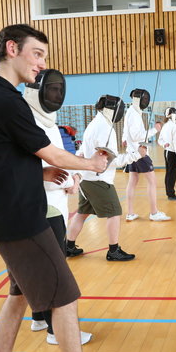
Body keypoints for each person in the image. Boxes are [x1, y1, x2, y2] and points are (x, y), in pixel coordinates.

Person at [0, 23, 108, 352]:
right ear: (12, 49)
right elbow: (49, 150)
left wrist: (39, 173)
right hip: (20, 221)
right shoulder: (4, 99)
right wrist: (92, 164)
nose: (40, 63)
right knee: (64, 297)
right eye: (37, 54)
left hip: (4, 217)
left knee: (18, 296)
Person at [23, 69, 92, 345]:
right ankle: (56, 330)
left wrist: (74, 176)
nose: (56, 95)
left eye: (58, 90)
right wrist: (65, 181)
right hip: (41, 206)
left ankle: (39, 317)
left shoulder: (49, 123)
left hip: (56, 204)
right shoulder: (26, 121)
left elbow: (58, 160)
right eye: (51, 90)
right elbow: (33, 168)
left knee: (35, 268)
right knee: (54, 270)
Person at [66, 94, 139, 261]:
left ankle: (68, 247)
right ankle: (113, 251)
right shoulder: (106, 128)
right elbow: (110, 162)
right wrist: (135, 155)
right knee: (114, 212)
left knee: (82, 213)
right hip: (98, 180)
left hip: (87, 178)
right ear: (111, 110)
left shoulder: (94, 123)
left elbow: (86, 152)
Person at [122, 88, 170, 222]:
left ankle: (130, 213)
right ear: (140, 100)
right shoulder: (133, 114)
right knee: (152, 182)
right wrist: (156, 129)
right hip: (139, 153)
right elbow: (137, 135)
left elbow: (127, 133)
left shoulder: (131, 112)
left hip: (132, 152)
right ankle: (154, 213)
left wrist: (125, 139)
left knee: (133, 182)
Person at [157, 107, 176, 200]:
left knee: (169, 173)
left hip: (168, 151)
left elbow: (160, 140)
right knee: (171, 174)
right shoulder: (174, 126)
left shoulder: (166, 125)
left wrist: (164, 145)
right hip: (173, 153)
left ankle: (170, 193)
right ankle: (171, 194)